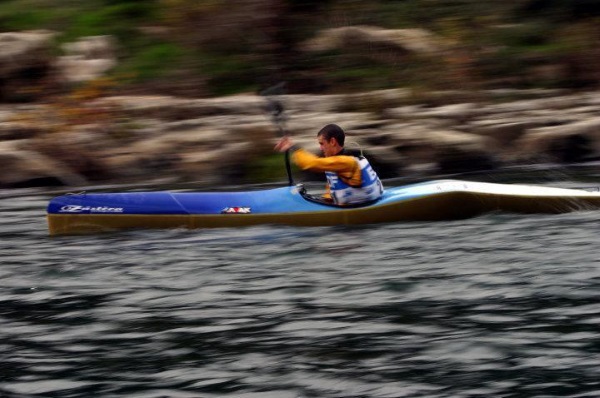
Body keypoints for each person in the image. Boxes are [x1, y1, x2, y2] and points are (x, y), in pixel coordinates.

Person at [275, 124, 384, 205]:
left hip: (367, 205)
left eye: (322, 143)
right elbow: (332, 194)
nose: (320, 148)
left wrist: (293, 147)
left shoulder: (346, 162)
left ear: (332, 142)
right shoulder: (334, 164)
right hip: (361, 201)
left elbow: (311, 163)